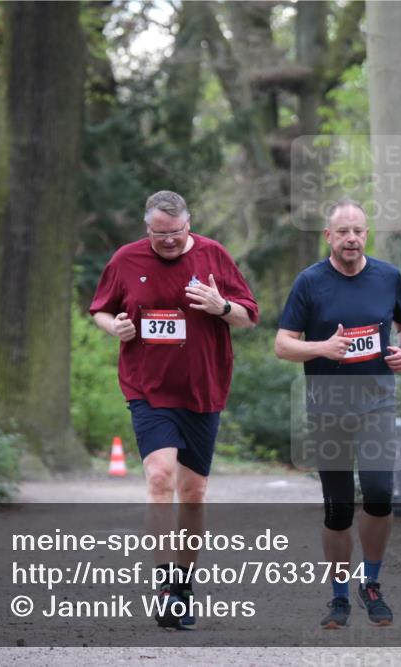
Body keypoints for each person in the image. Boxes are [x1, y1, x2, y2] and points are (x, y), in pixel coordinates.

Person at [89, 190, 258, 629]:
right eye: (158, 234)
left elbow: (249, 316)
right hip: (148, 388)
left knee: (194, 493)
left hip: (202, 390)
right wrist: (117, 327)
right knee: (160, 476)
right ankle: (164, 585)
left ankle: (184, 583)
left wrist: (221, 307)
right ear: (147, 228)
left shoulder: (214, 256)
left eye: (176, 233)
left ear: (189, 224)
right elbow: (101, 311)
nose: (167, 241)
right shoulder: (126, 259)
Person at [274, 200, 401, 628]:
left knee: (378, 493)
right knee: (337, 509)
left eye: (357, 231)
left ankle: (370, 584)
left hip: (377, 402)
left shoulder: (388, 277)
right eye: (343, 232)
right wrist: (322, 348)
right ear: (329, 237)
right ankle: (338, 596)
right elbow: (283, 344)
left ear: (366, 234)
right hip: (328, 408)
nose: (351, 239)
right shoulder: (310, 283)